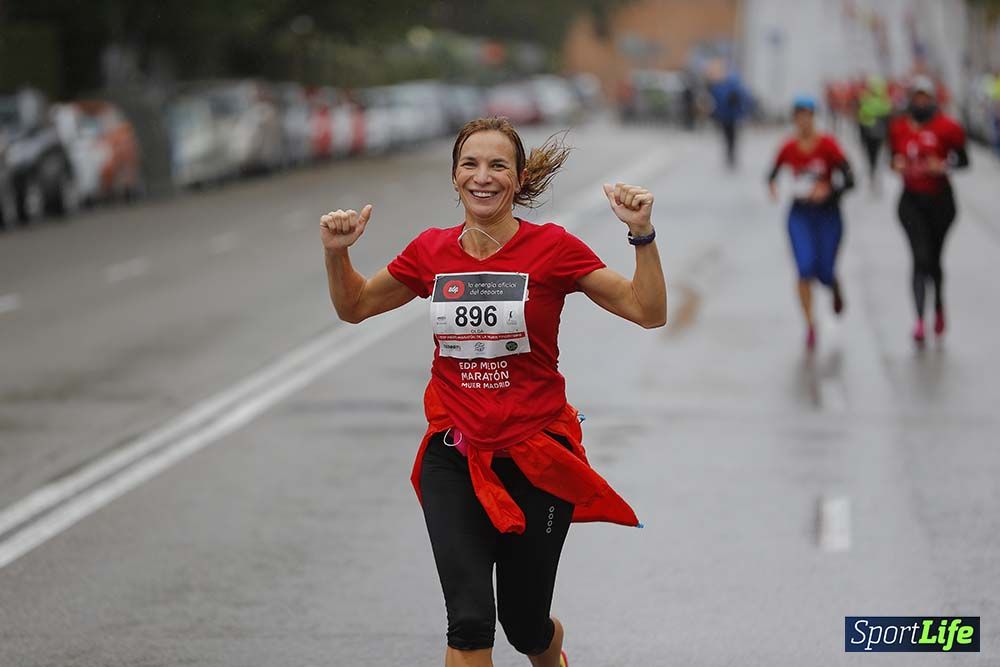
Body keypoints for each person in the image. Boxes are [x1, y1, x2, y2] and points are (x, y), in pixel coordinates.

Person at [319, 116, 666, 667]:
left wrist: (641, 234)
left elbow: (648, 311)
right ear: (455, 177)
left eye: (498, 165)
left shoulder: (553, 248)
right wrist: (338, 254)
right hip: (454, 456)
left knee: (524, 624)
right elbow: (355, 306)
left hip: (535, 457)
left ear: (519, 177)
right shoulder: (429, 252)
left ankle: (546, 651)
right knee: (470, 622)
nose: (483, 177)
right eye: (470, 165)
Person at [768, 96, 855, 350]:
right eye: (798, 115)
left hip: (828, 214)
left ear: (813, 117)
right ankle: (809, 325)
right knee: (804, 268)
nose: (803, 120)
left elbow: (851, 179)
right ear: (794, 119)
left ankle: (835, 285)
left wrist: (828, 190)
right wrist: (772, 186)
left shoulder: (828, 145)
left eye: (807, 115)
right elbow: (771, 174)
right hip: (800, 214)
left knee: (825, 270)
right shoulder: (789, 147)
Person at [888, 76, 969, 344]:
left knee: (934, 260)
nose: (921, 102)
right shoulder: (899, 127)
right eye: (917, 97)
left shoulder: (948, 127)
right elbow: (893, 157)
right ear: (911, 99)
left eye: (925, 97)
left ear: (932, 99)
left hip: (940, 201)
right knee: (919, 258)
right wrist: (896, 164)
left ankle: (939, 306)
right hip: (911, 201)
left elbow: (963, 160)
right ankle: (919, 320)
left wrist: (944, 165)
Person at [707, 66, 751, 168]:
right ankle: (731, 154)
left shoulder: (723, 87)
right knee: (731, 137)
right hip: (731, 116)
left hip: (727, 116)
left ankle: (730, 154)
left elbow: (716, 98)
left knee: (729, 136)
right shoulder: (736, 87)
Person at [856, 75, 893, 192]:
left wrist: (862, 138)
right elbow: (888, 121)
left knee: (871, 158)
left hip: (870, 136)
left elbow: (861, 122)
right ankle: (876, 179)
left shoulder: (865, 101)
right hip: (879, 136)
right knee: (878, 157)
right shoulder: (885, 102)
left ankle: (873, 177)